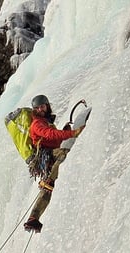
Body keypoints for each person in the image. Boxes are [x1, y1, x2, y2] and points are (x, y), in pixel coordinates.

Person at [24, 94, 85, 232]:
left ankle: (33, 219)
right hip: (45, 156)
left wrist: (64, 132)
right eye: (38, 108)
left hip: (48, 155)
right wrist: (73, 133)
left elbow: (53, 139)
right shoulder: (37, 124)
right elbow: (50, 134)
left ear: (47, 106)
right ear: (34, 110)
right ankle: (50, 180)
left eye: (42, 106)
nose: (41, 109)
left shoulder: (45, 122)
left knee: (47, 190)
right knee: (63, 153)